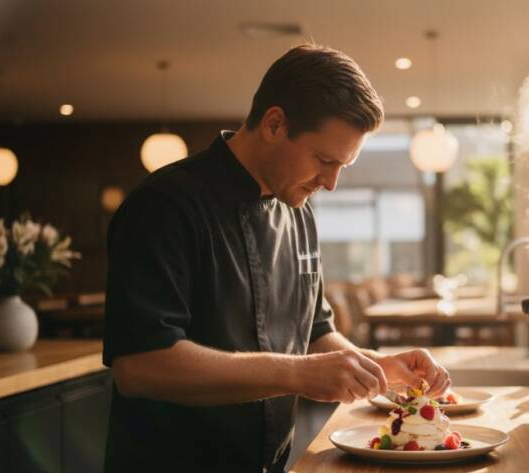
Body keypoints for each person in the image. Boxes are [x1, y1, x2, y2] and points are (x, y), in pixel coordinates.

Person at [101, 43, 452, 473]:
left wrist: (377, 366)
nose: (331, 184)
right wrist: (298, 374)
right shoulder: (164, 206)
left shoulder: (299, 214)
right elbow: (140, 366)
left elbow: (315, 334)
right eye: (324, 160)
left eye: (343, 166)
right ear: (274, 124)